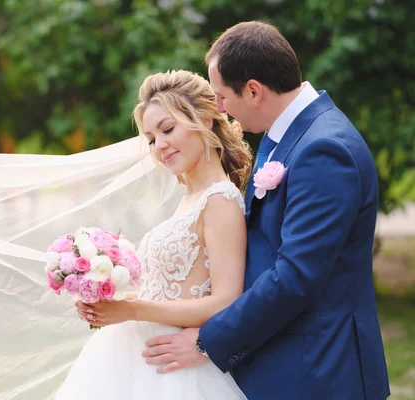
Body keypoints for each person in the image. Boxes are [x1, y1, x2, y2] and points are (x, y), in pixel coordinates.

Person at [142, 21, 391, 399]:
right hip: (287, 362)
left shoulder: (324, 150)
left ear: (254, 90)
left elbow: (295, 277)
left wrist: (208, 341)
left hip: (317, 370)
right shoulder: (287, 138)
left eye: (223, 97)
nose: (219, 109)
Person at [54, 70, 252, 399]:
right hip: (134, 359)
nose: (159, 146)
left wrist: (133, 310)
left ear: (204, 119)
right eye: (150, 138)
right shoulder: (189, 198)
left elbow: (225, 302)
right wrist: (113, 303)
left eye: (167, 129)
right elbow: (172, 293)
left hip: (177, 372)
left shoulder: (220, 200)